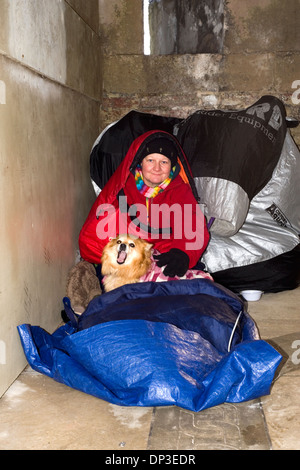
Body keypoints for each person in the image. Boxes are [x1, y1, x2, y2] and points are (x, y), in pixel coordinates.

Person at [79, 130, 209, 278]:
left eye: (164, 162)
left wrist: (183, 253)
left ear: (172, 166)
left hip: (164, 250)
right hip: (129, 247)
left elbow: (191, 222)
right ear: (140, 161)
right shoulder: (124, 185)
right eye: (150, 160)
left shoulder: (179, 189)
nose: (157, 168)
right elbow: (94, 235)